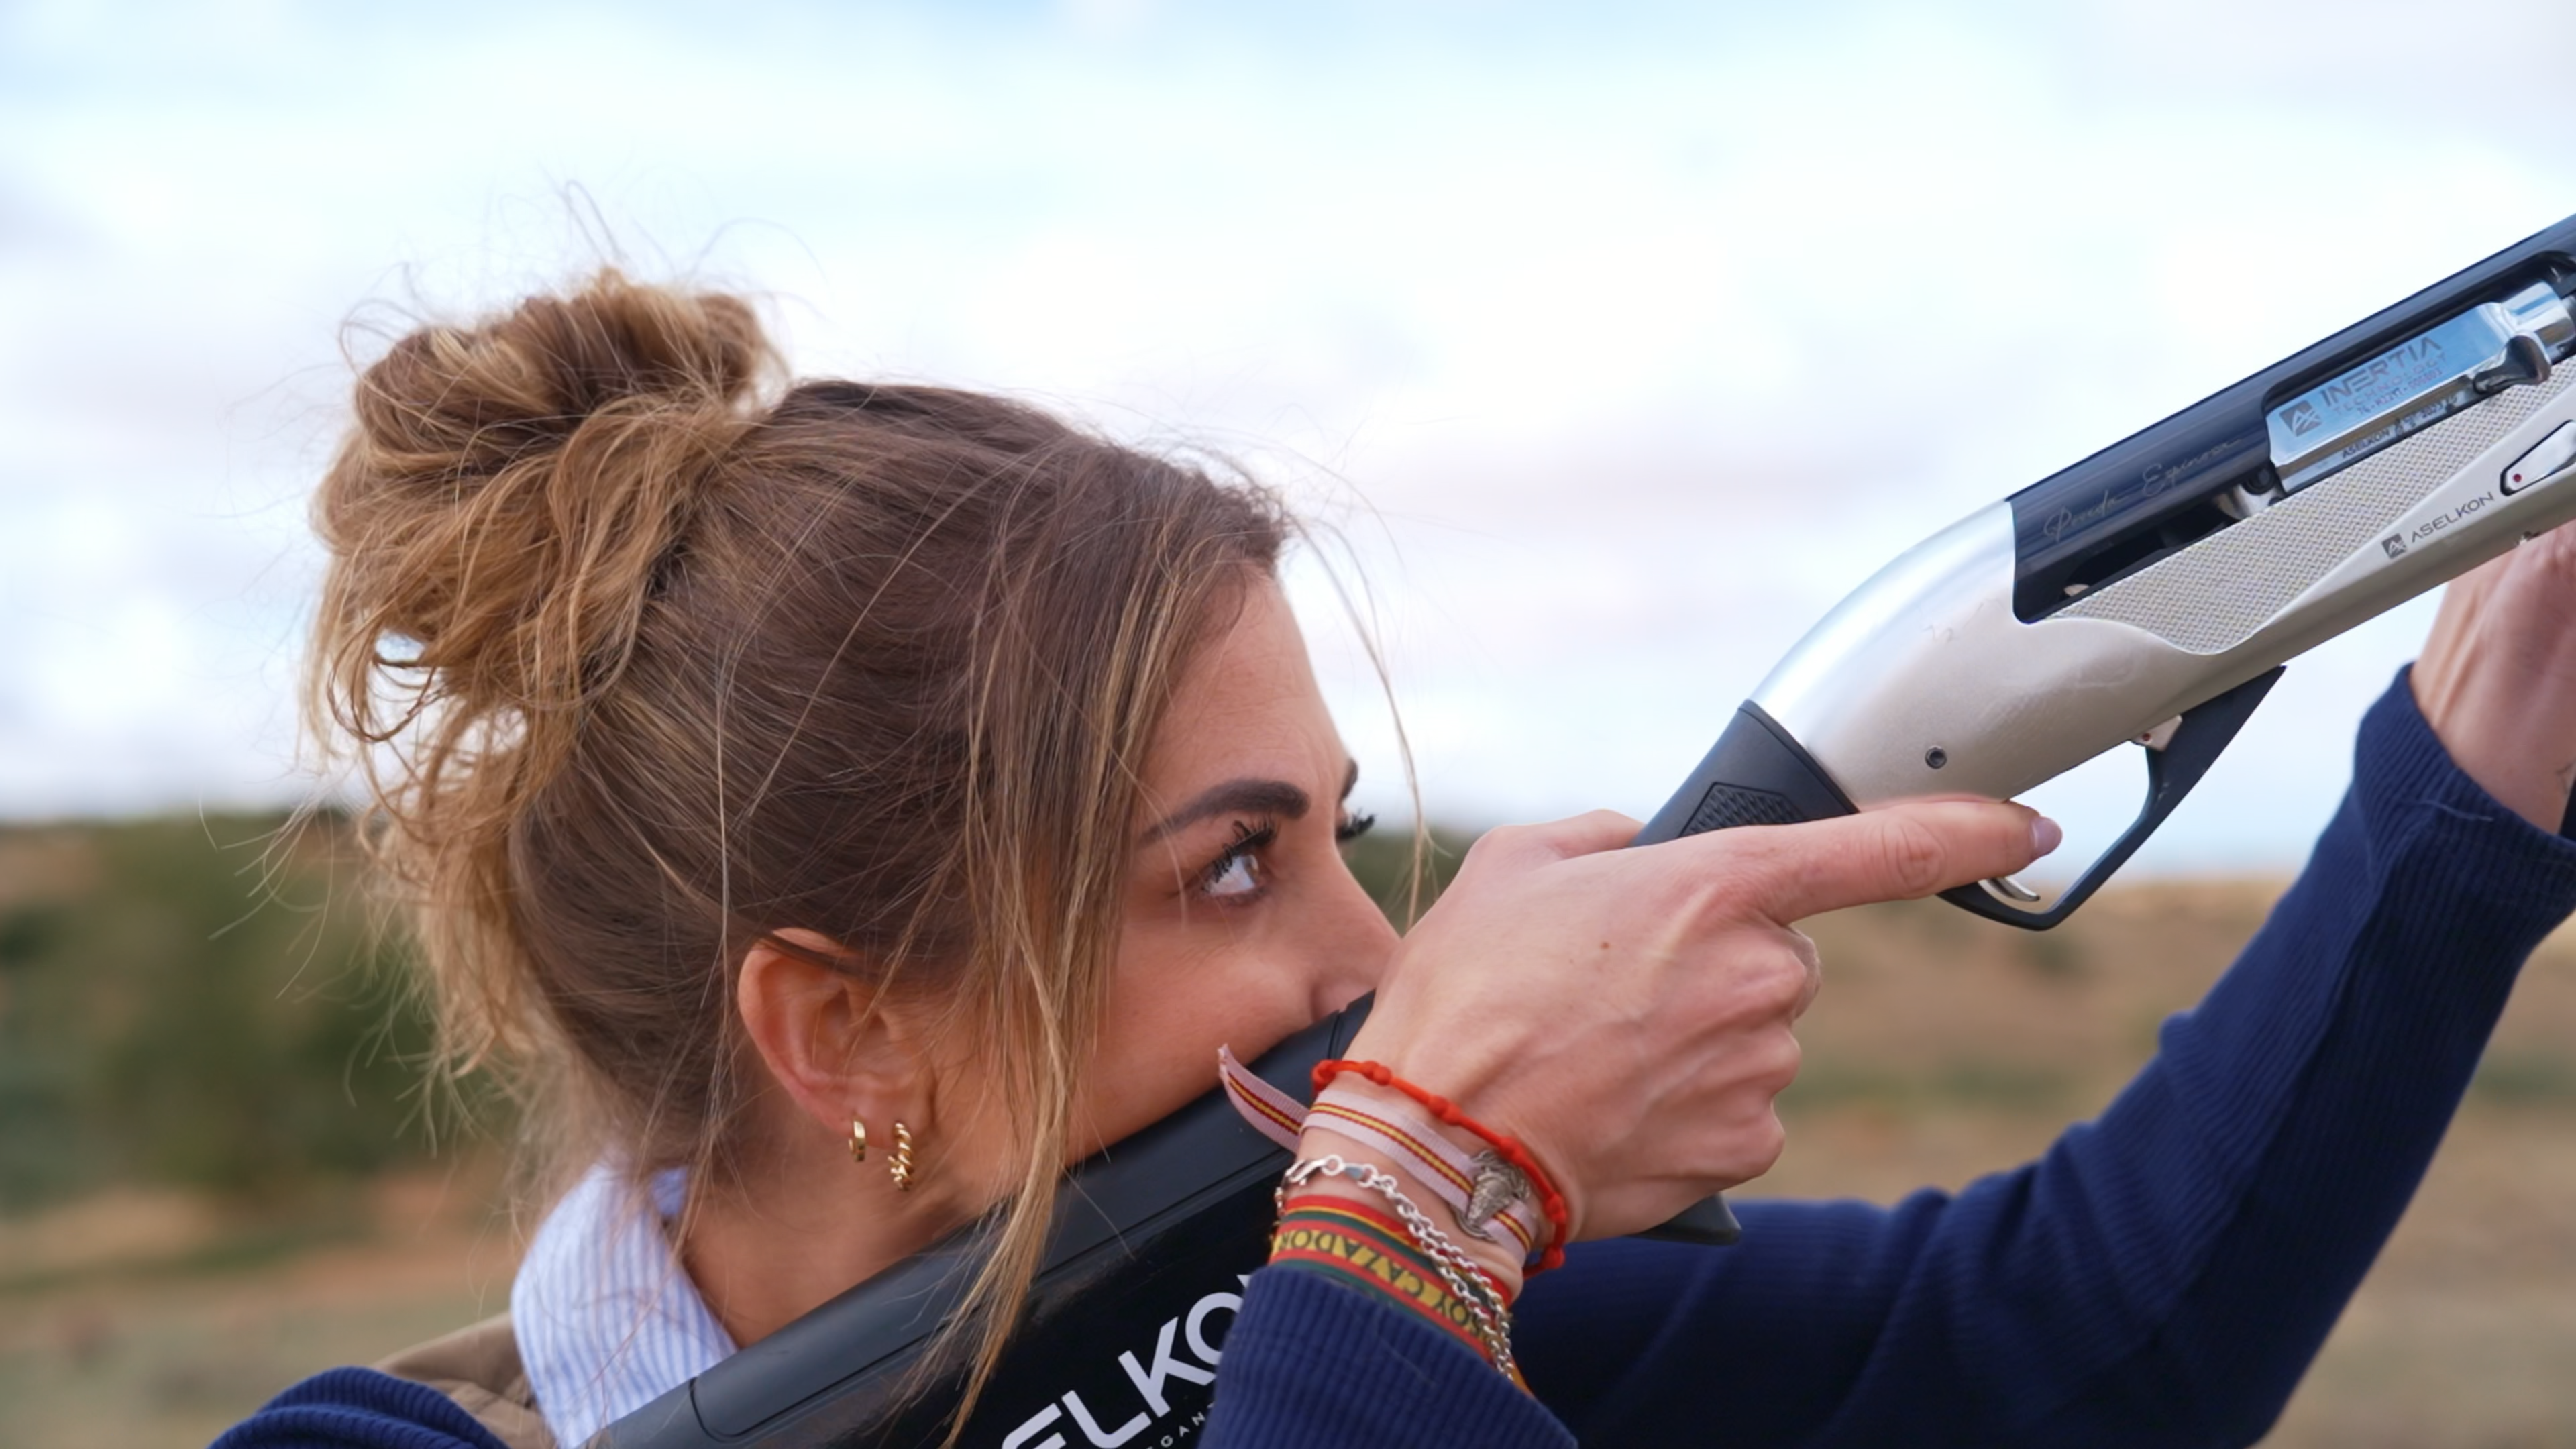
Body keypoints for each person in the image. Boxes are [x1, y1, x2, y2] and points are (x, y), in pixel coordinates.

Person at [213, 272, 2576, 1449]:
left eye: (1342, 844)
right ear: (849, 1029)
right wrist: (1413, 1203)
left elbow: (2070, 1355)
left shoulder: (1340, 1304)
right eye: (1231, 871)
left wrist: (2471, 784)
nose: (1378, 958)